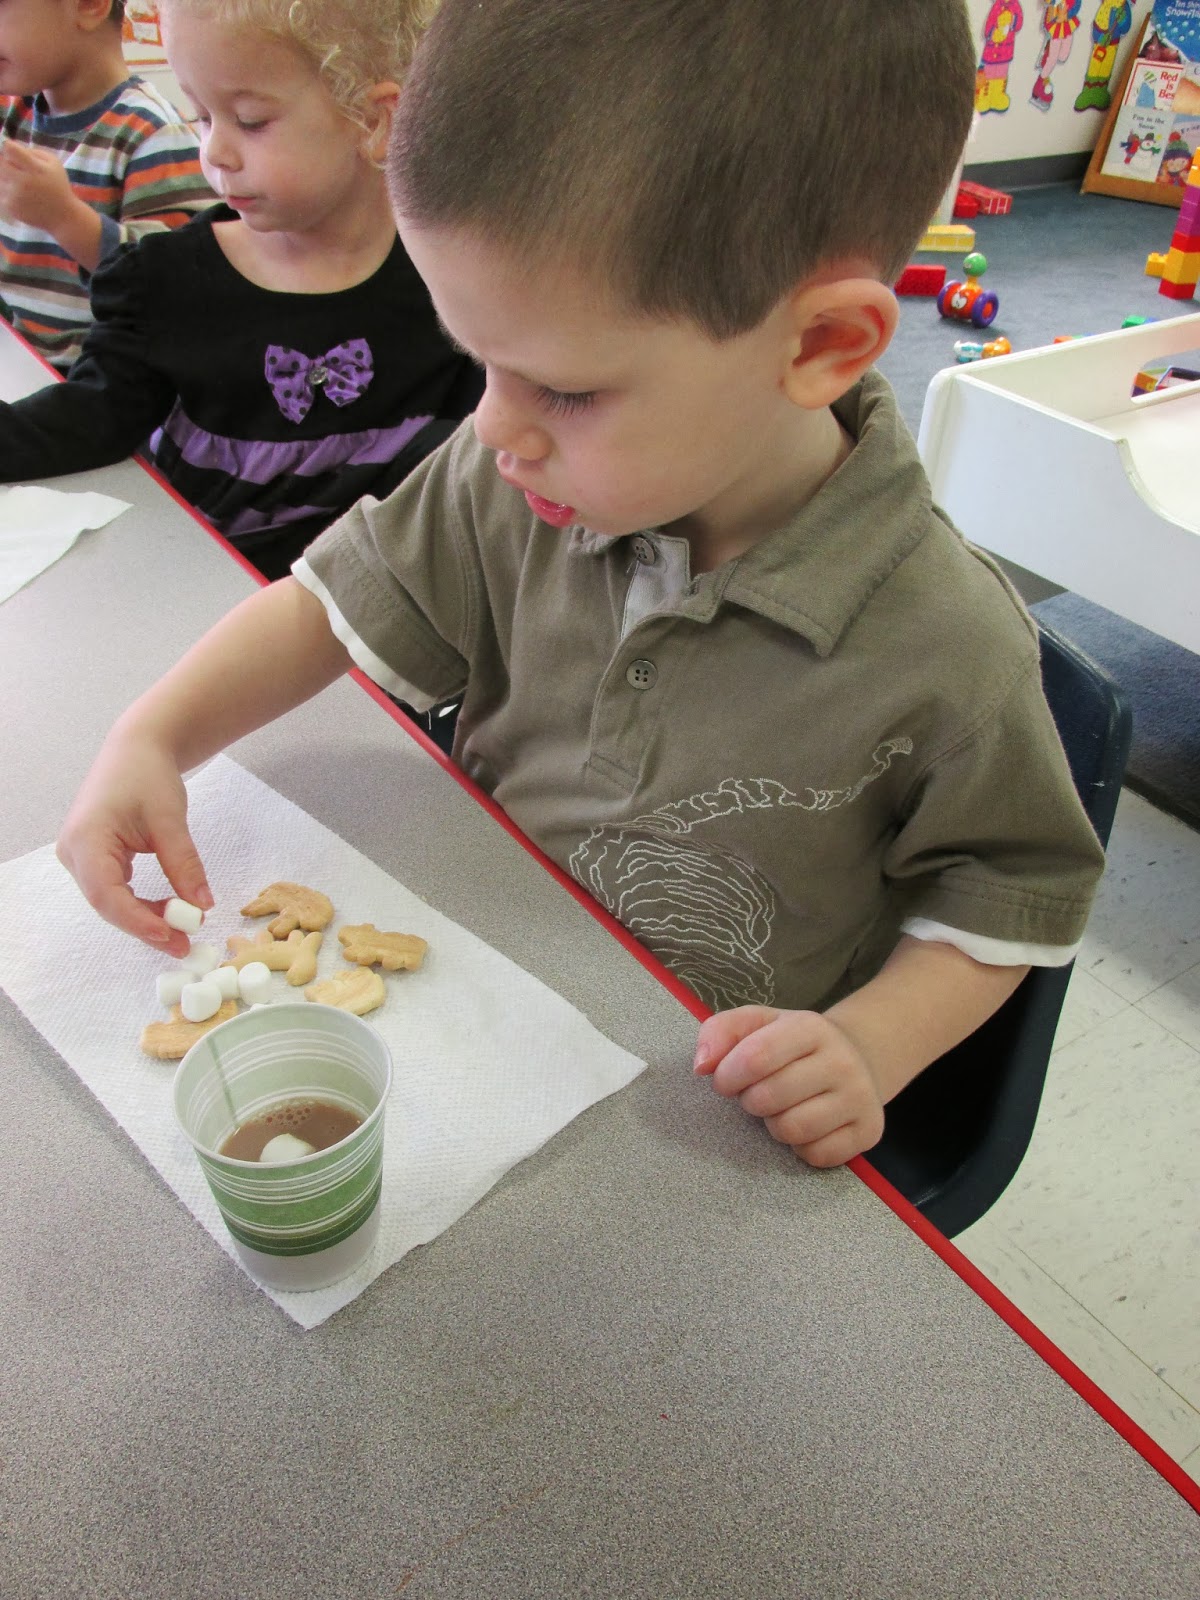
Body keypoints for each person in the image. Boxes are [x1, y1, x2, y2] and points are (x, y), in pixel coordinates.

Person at [57, 0, 1108, 1171]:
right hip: (471, 1006)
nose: (493, 427)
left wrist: (871, 1044)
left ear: (819, 347)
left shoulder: (950, 646)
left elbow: (1011, 879)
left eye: (562, 388)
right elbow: (328, 604)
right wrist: (155, 735)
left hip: (685, 1124)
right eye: (478, 362)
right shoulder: (515, 476)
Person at [0, 0, 481, 578]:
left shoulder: (455, 274)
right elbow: (87, 422)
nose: (214, 152)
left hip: (369, 600)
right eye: (201, 116)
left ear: (374, 121)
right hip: (198, 587)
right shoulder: (161, 281)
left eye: (250, 121)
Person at [0, 0, 210, 369]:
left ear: (89, 5)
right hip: (20, 364)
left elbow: (176, 287)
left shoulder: (153, 133)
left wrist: (64, 218)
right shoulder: (14, 114)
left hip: (95, 381)